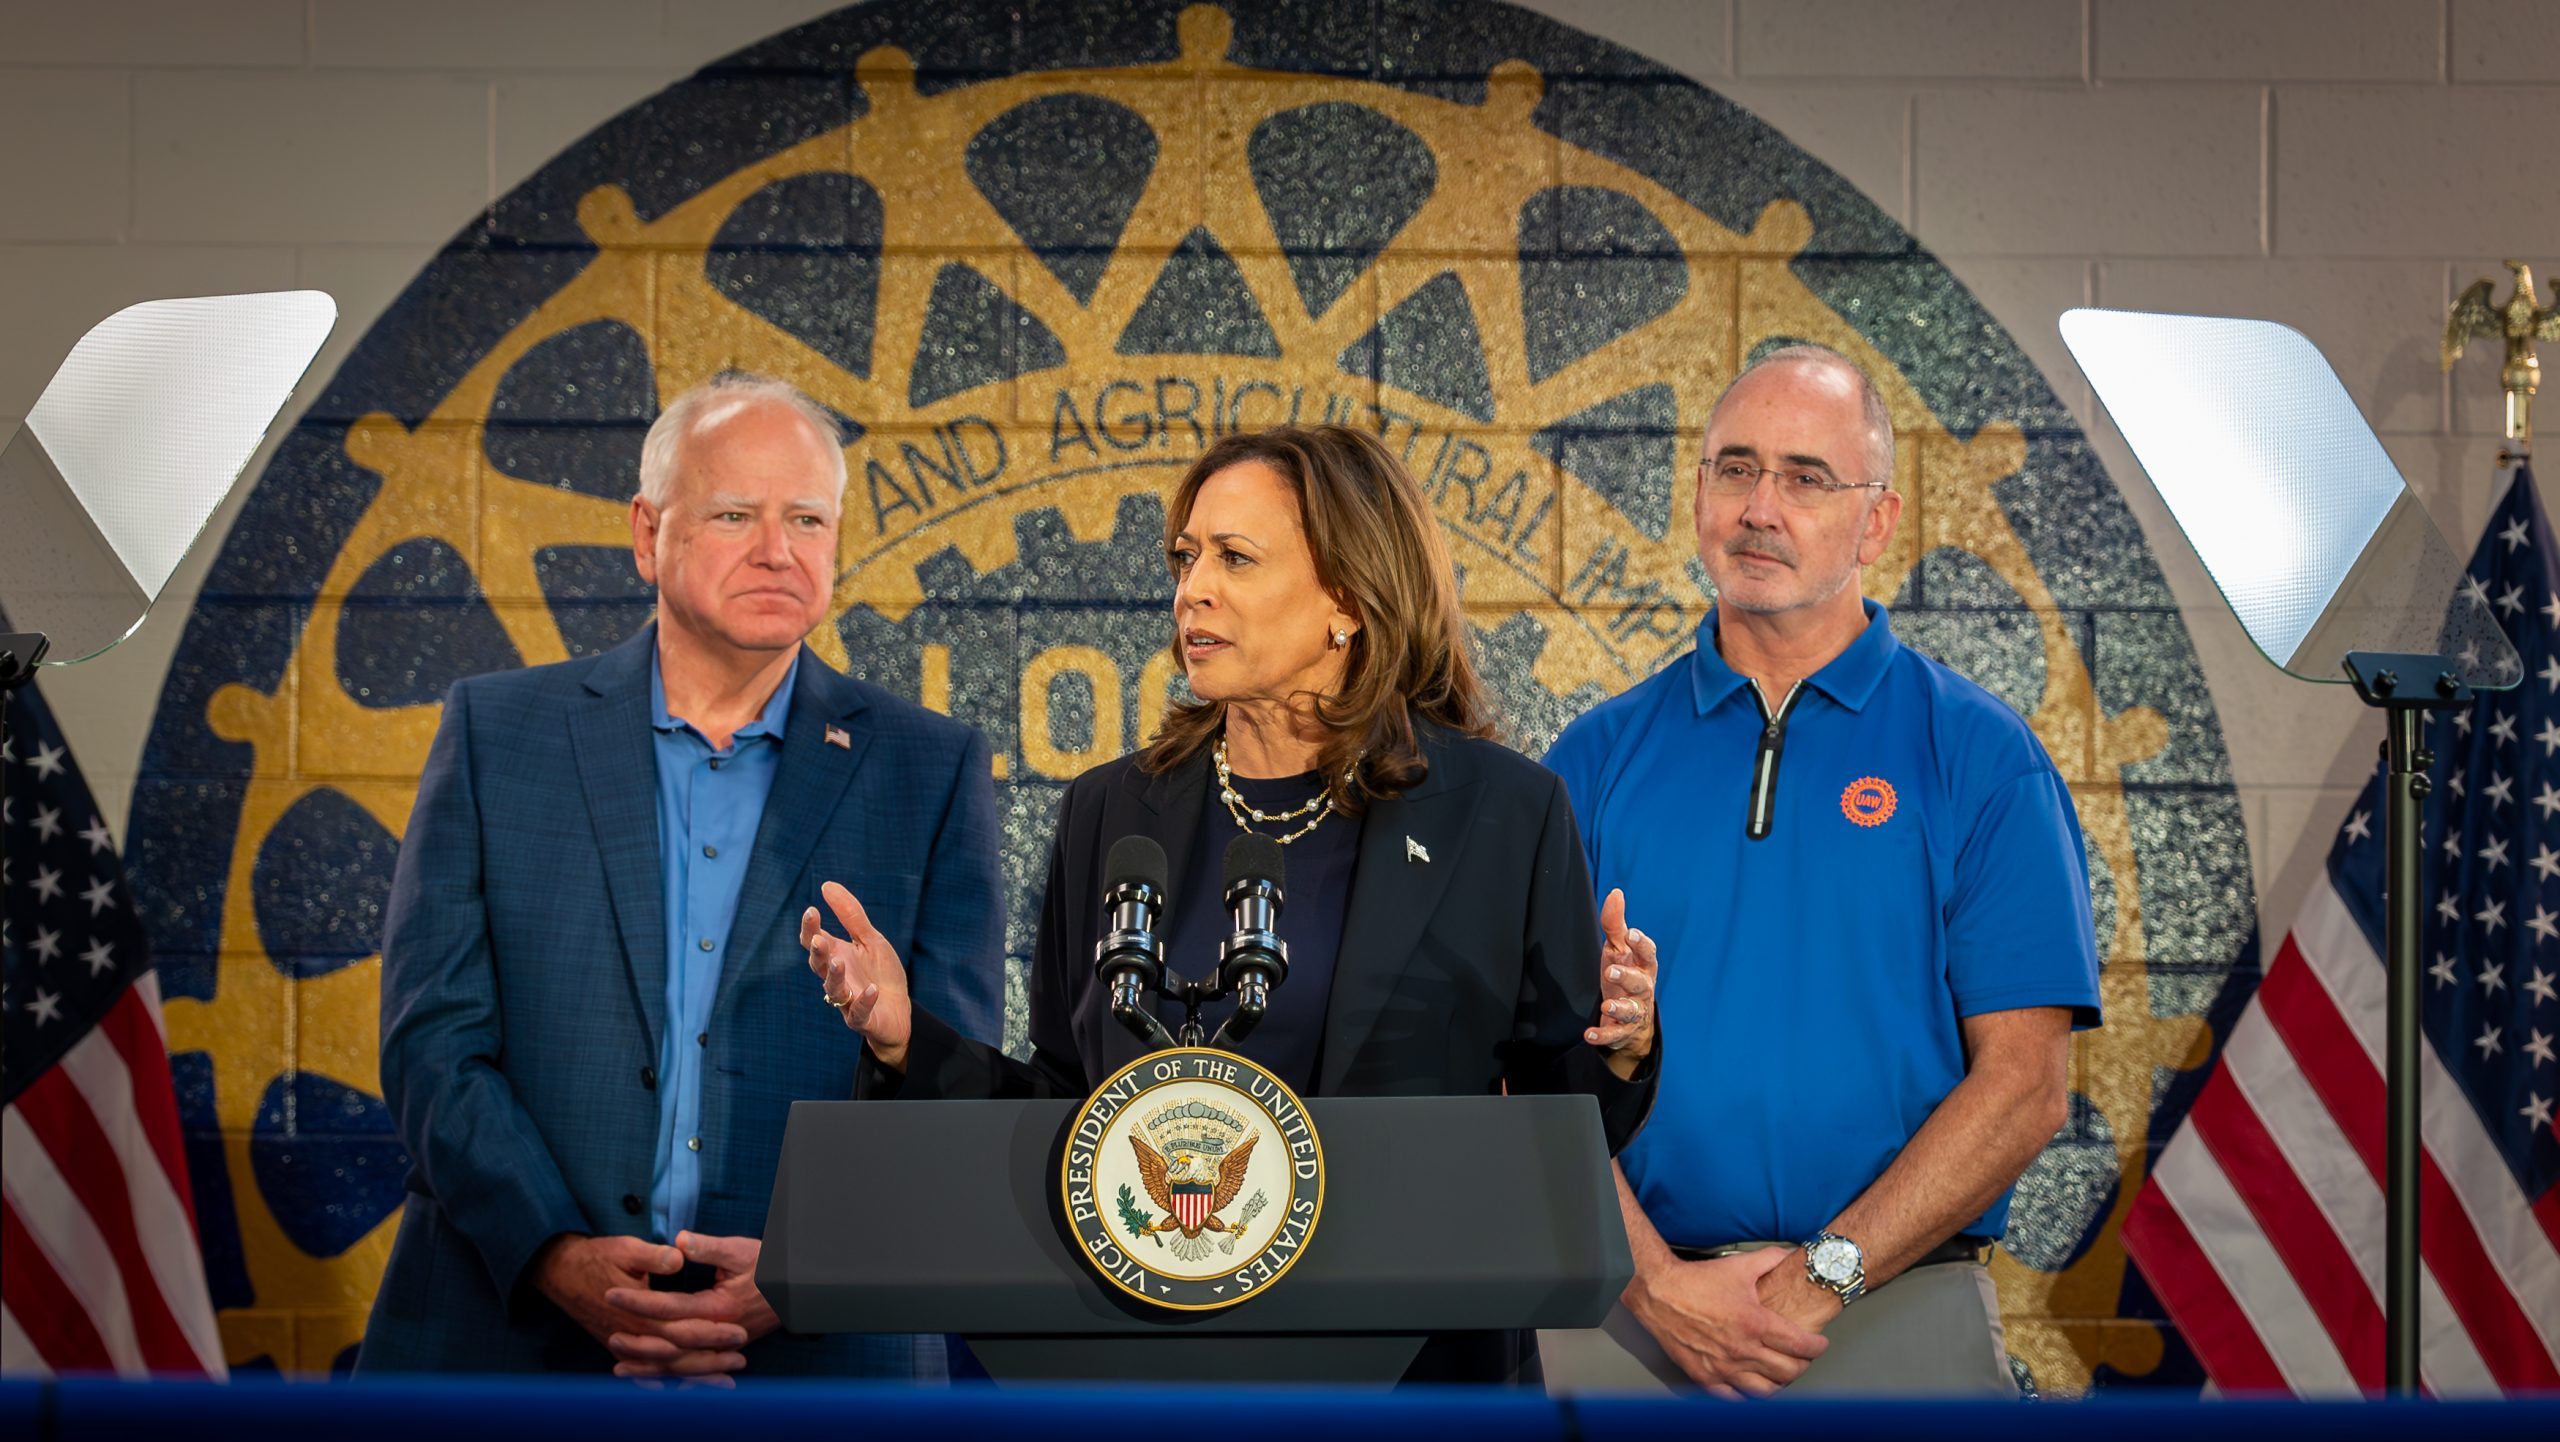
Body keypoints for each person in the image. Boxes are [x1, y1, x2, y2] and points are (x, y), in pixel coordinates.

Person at [804, 423, 1660, 1382]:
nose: (1191, 589)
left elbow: (1553, 1128)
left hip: (1411, 1376)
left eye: (1235, 559)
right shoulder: (1110, 809)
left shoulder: (1502, 811)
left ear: (1347, 598)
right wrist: (904, 1040)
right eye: (1186, 556)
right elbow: (1067, 1110)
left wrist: (1620, 1049)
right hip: (1144, 1375)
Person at [358, 373, 1004, 1380]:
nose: (777, 550)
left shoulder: (930, 767)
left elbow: (958, 1078)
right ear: (646, 531)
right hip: (508, 1341)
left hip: (821, 1363)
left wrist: (811, 1267)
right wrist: (553, 1253)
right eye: (735, 514)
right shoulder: (498, 733)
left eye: (807, 519)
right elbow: (432, 1039)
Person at [1538, 345, 2100, 1398]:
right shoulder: (1590, 762)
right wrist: (1655, 1284)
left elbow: (2023, 1088)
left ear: (1876, 521)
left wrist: (1814, 1282)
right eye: (1734, 468)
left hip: (1890, 1313)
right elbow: (1523, 1073)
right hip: (1625, 1326)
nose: (1760, 506)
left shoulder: (1979, 757)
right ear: (1697, 494)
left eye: (1805, 477)